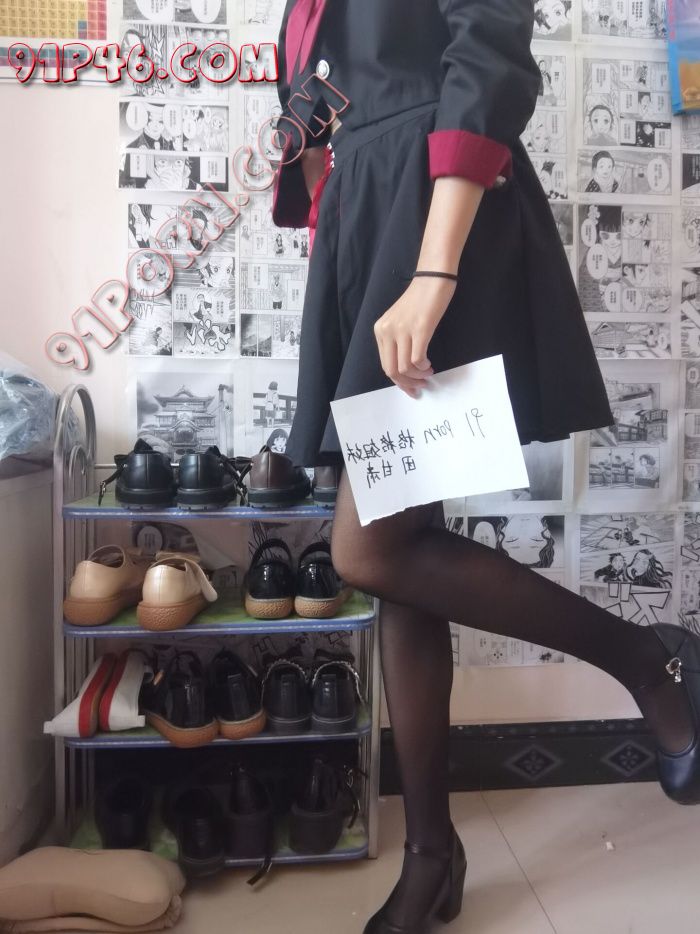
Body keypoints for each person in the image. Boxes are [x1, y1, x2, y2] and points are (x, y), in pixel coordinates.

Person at [272, 2, 700, 931]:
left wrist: (432, 272)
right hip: (367, 222)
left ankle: (646, 657)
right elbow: (319, 112)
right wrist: (341, 247)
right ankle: (433, 853)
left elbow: (490, 52)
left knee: (367, 549)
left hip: (434, 215)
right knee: (401, 560)